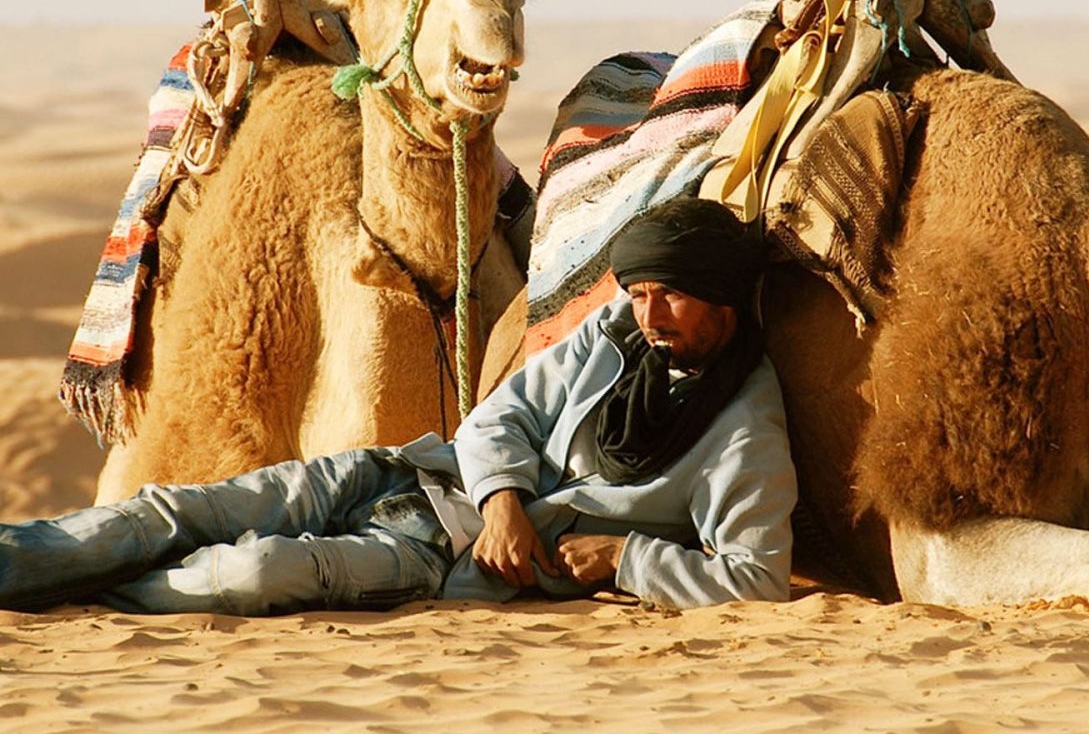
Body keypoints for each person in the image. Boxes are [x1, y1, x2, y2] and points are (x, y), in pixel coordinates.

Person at [0, 199, 795, 614]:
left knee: (249, 575)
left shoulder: (741, 434)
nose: (651, 316)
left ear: (725, 302)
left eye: (675, 297)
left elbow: (756, 578)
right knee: (164, 514)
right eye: (643, 292)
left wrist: (626, 557)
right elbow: (499, 418)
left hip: (434, 557)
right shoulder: (617, 333)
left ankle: (72, 587)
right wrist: (505, 501)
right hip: (400, 471)